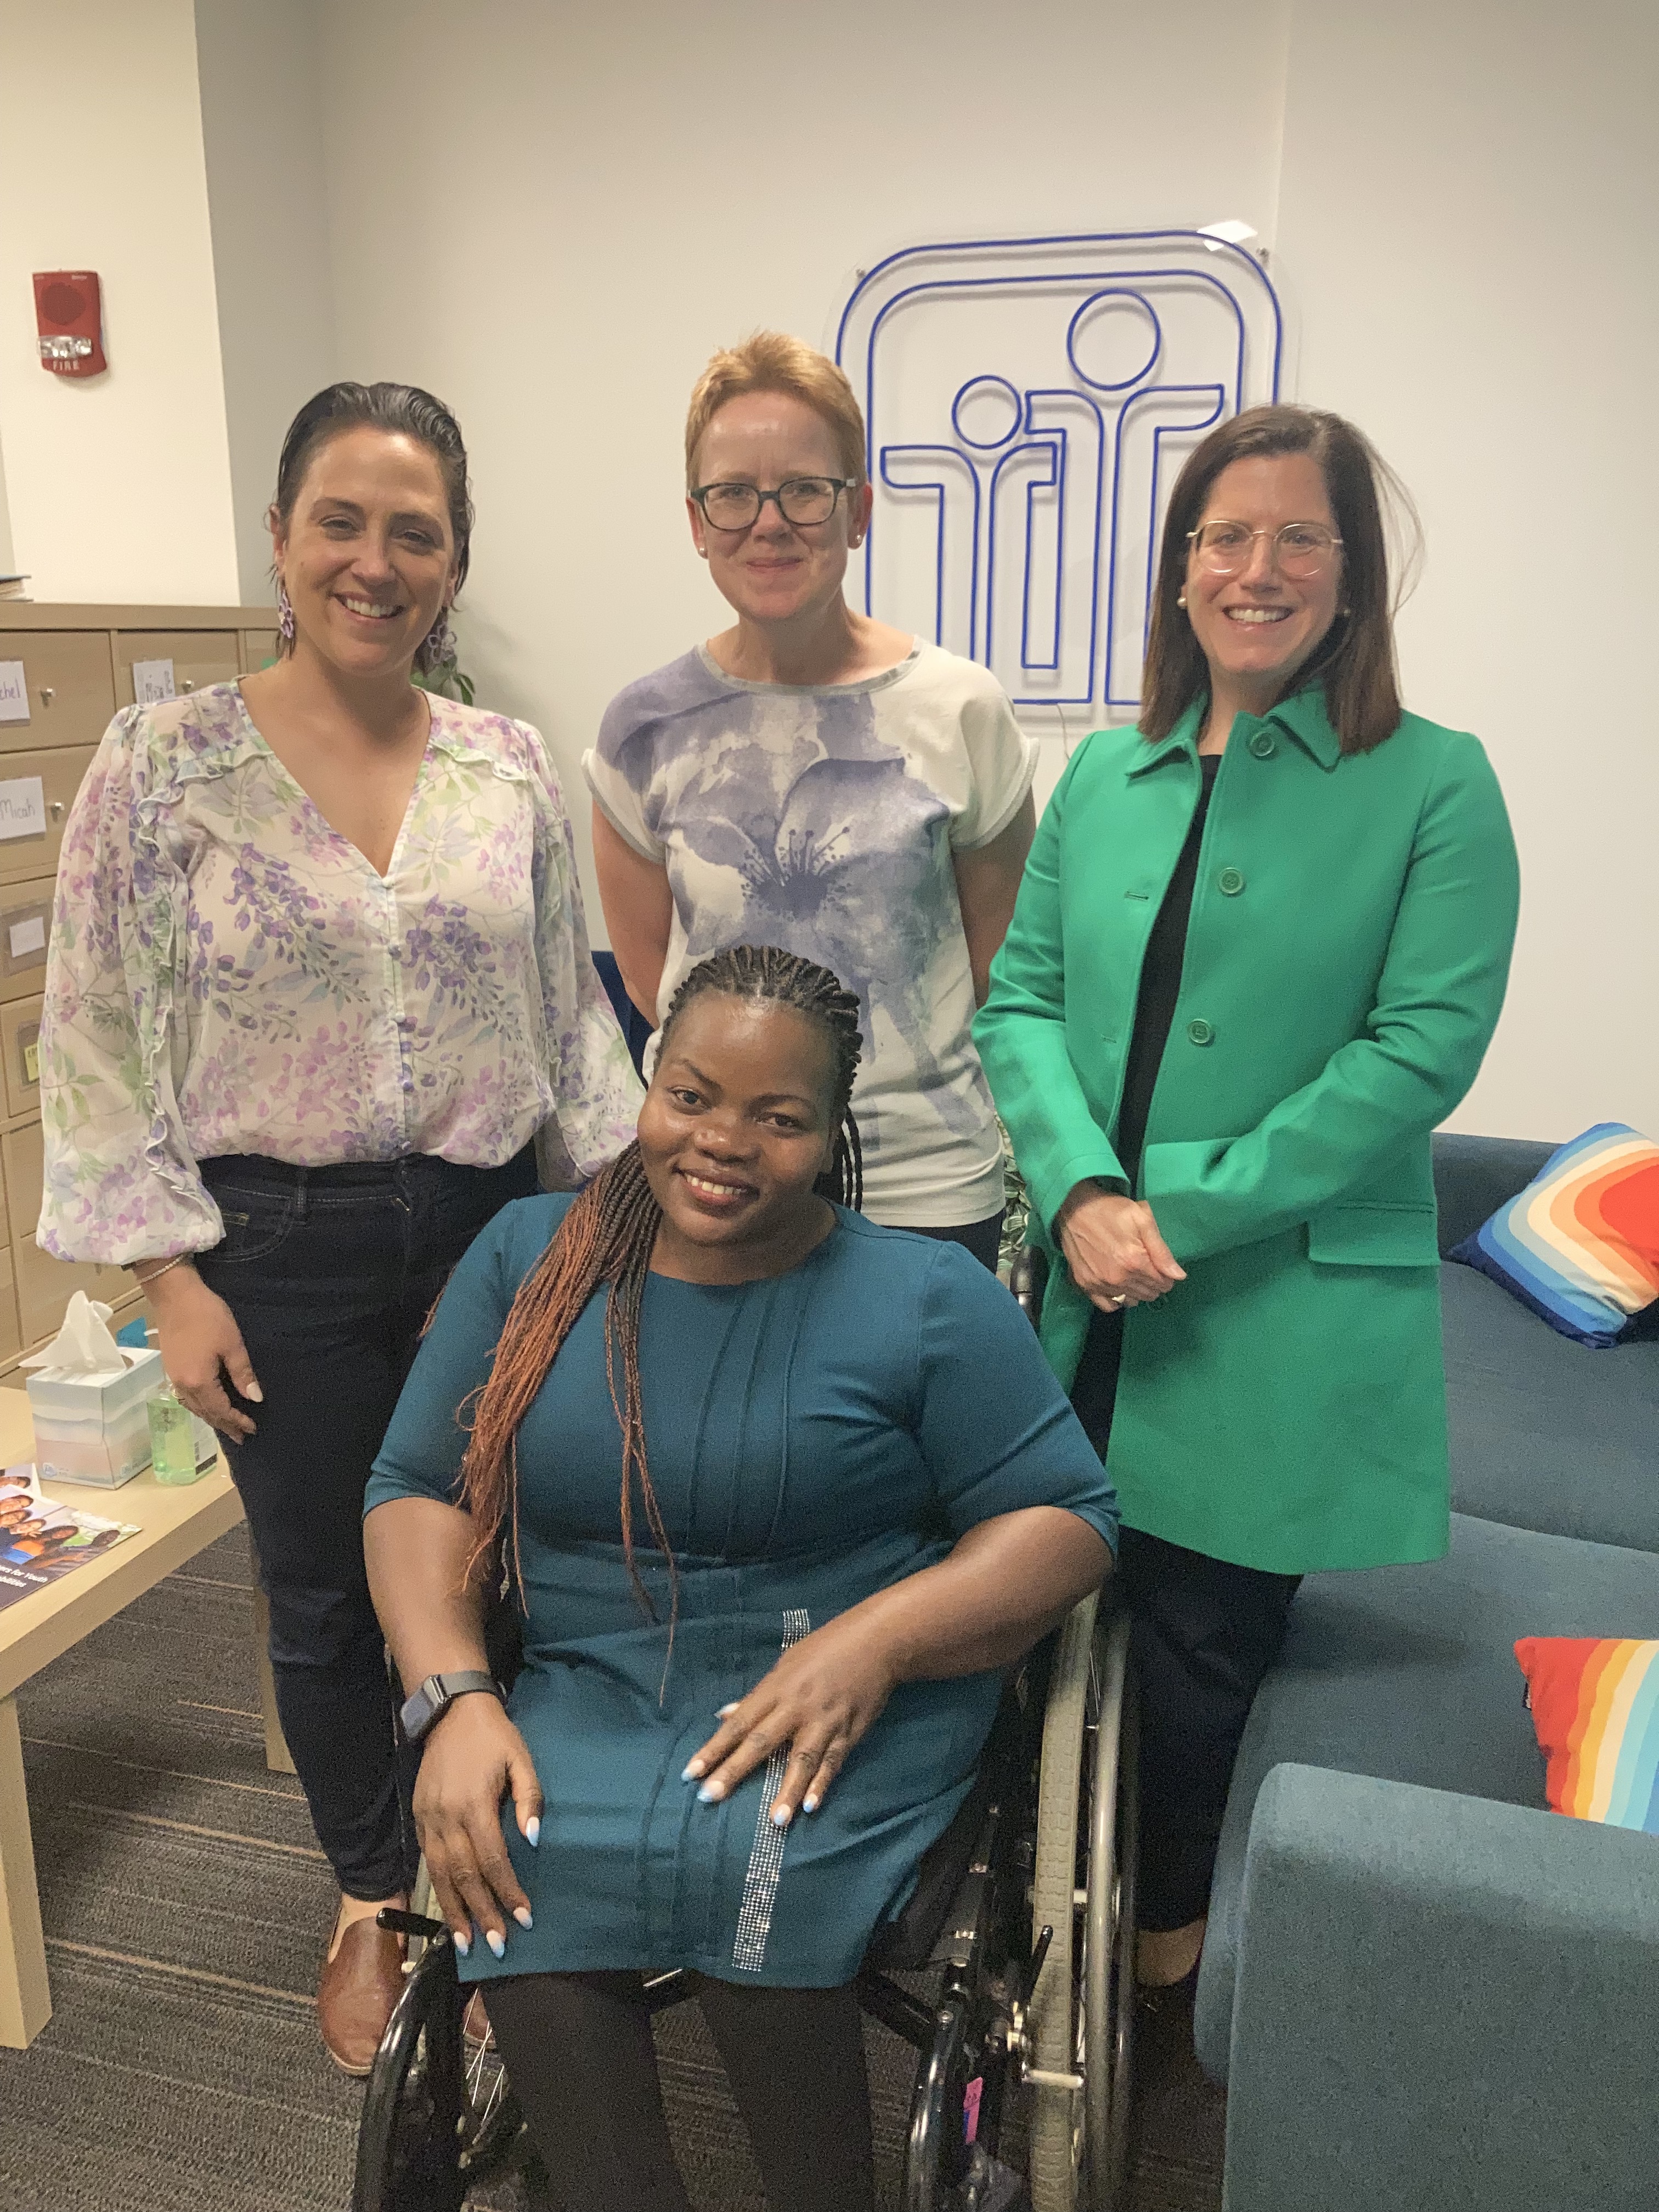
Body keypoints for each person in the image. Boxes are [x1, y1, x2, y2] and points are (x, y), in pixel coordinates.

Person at [37, 381, 641, 2073]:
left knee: (486, 1555)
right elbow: (89, 1032)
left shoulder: (508, 766)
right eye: (342, 523)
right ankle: (377, 1889)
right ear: (284, 538)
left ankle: (488, 1834)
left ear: (455, 564)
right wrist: (167, 1275)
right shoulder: (161, 766)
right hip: (267, 1250)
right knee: (317, 1586)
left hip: (482, 1232)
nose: (377, 562)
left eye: (417, 533)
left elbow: (569, 1024)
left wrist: (613, 1234)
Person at [364, 944, 1116, 2212]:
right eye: (694, 1094)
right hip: (590, 1675)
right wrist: (455, 1699)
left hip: (845, 1681)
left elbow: (1068, 1520)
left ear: (832, 1135)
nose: (723, 1141)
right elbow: (419, 1491)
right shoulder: (532, 1259)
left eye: (780, 1117)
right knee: (511, 1849)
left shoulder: (921, 1297)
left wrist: (877, 1641)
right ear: (647, 1084)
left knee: (759, 1861)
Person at [974, 404, 1520, 1997]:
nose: (1256, 568)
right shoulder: (1105, 774)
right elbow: (1017, 1003)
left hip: (1270, 1291)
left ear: (1352, 576)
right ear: (1181, 567)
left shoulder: (1433, 784)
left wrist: (1182, 1209)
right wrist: (1079, 1187)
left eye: (1298, 537)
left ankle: (1163, 1947)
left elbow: (1419, 1054)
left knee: (1204, 1651)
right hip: (1079, 1279)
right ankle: (1009, 1898)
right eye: (1224, 535)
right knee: (1019, 1594)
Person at [585, 332, 1036, 1272]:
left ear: (858, 509)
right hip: (720, 1182)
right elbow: (649, 980)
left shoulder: (959, 710)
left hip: (922, 1179)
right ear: (697, 520)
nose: (769, 522)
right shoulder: (644, 728)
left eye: (805, 489)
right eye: (734, 494)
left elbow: (1002, 969)